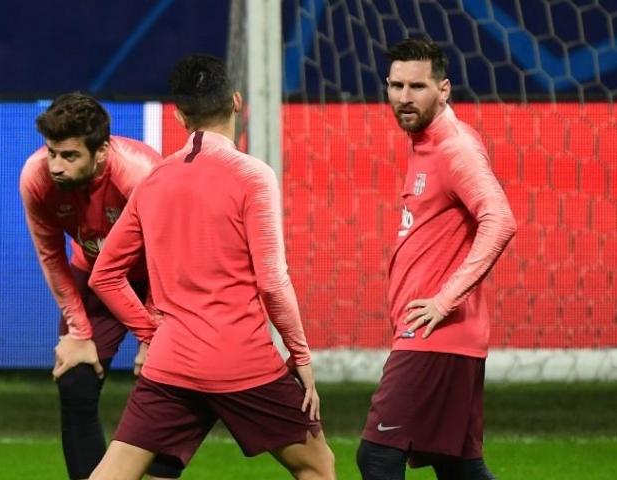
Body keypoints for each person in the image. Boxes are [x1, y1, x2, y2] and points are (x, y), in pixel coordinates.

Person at [86, 54, 336, 480]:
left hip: (172, 361)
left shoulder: (154, 181)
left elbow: (103, 274)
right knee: (316, 465)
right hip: (241, 359)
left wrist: (154, 333)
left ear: (181, 115)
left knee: (112, 474)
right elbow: (273, 282)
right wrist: (300, 354)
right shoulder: (252, 175)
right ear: (236, 102)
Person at [356, 38, 517, 480]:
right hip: (443, 337)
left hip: (436, 334)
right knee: (459, 467)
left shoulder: (454, 146)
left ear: (444, 89)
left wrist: (443, 301)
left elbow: (500, 220)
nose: (405, 98)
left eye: (418, 87)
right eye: (396, 85)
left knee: (378, 456)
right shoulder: (424, 139)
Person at [19, 92, 184, 480]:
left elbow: (170, 256)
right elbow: (51, 257)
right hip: (94, 280)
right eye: (52, 153)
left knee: (169, 386)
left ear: (101, 153)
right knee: (75, 380)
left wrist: (153, 333)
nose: (56, 166)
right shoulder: (36, 178)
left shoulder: (141, 175)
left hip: (158, 282)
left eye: (70, 156)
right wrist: (78, 330)